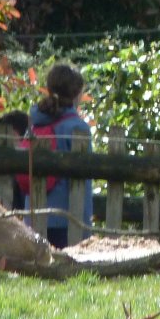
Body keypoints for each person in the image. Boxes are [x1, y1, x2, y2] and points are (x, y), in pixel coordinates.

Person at [27, 63, 94, 248]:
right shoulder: (77, 128)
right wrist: (86, 223)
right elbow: (85, 180)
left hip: (33, 216)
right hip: (67, 219)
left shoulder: (34, 123)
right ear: (77, 94)